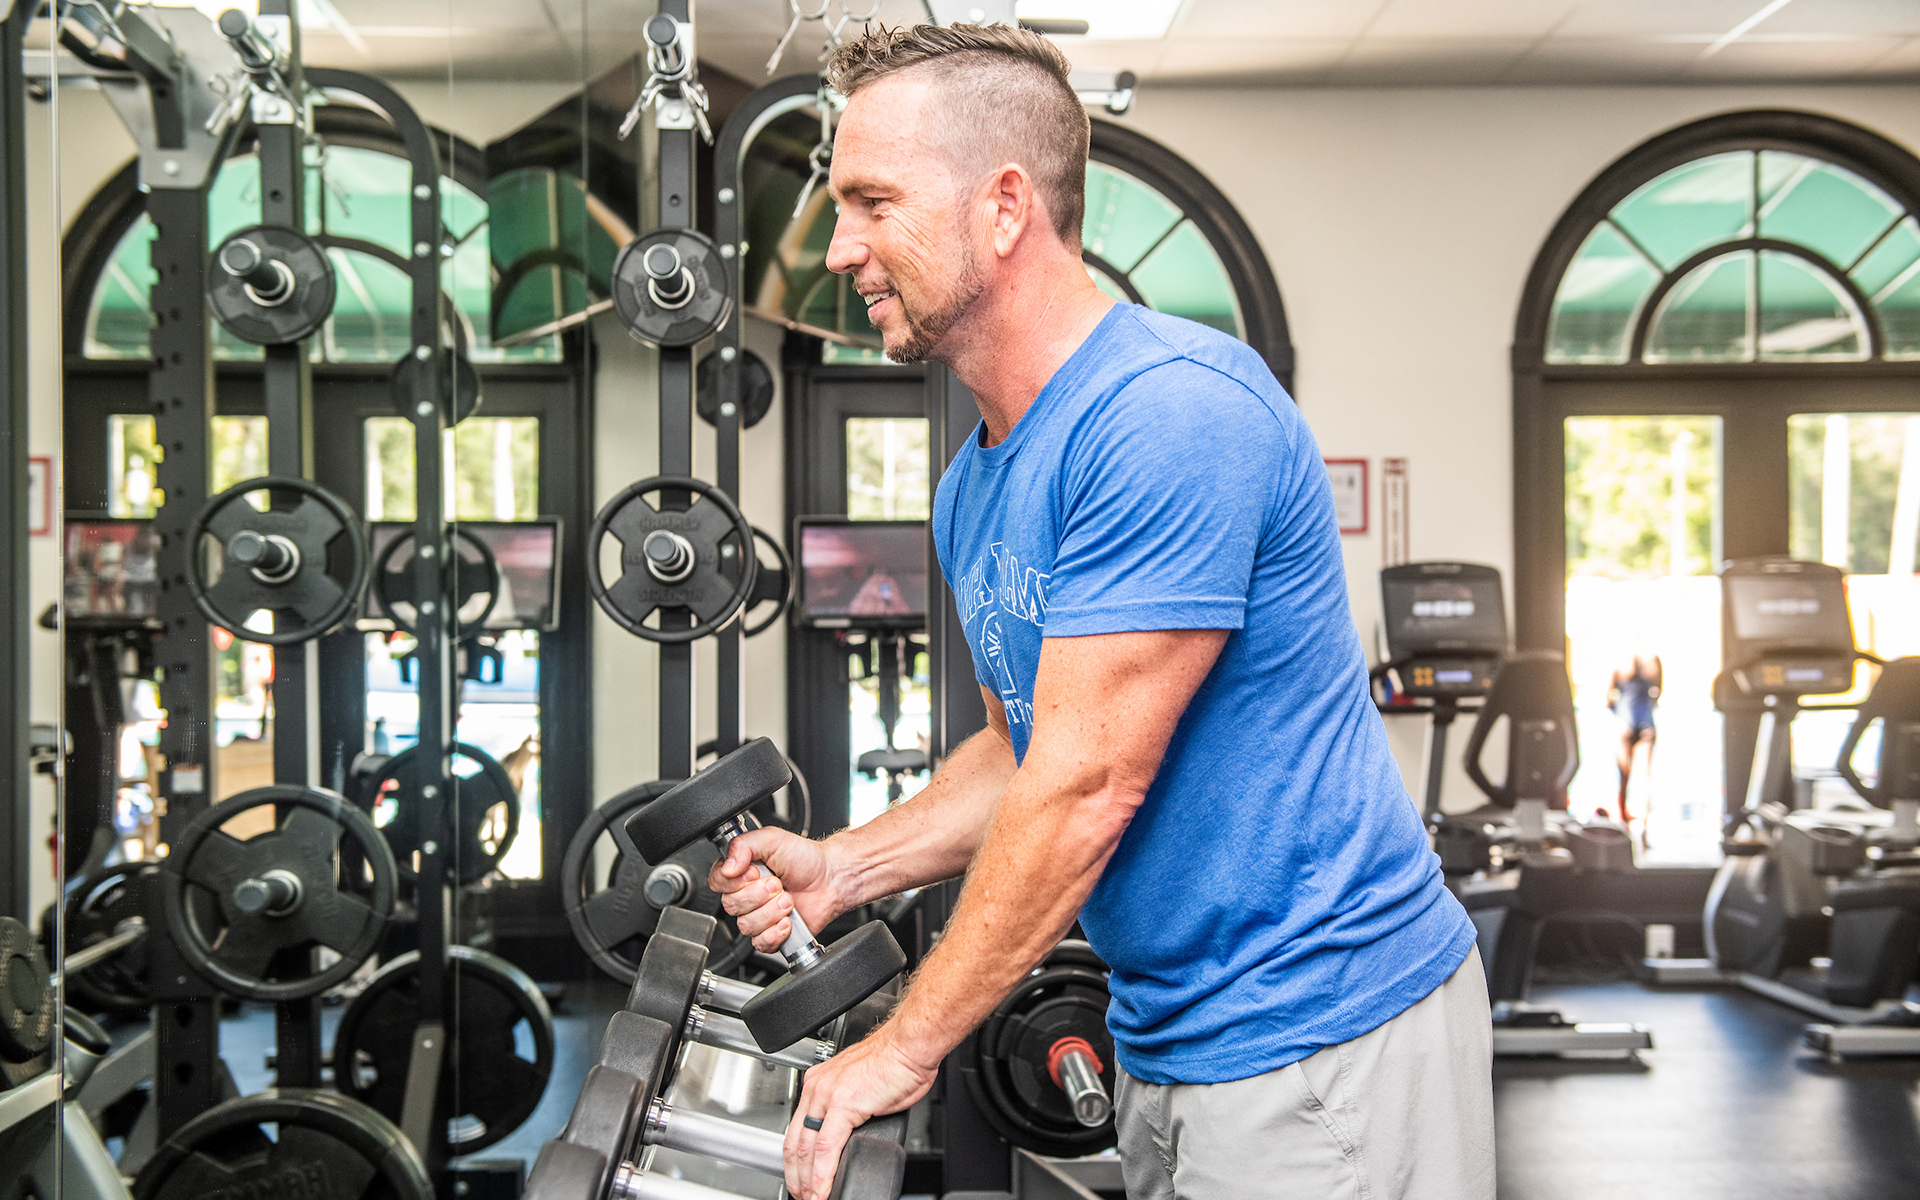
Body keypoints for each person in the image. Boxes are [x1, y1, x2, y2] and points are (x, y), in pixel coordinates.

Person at [707, 23, 1493, 1200]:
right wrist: (843, 868)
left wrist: (906, 1046)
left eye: (872, 202)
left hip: (1322, 1032)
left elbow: (1084, 788)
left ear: (1004, 207)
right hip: (1165, 1035)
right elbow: (1026, 749)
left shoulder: (1168, 414)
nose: (839, 248)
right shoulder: (976, 484)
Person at [1608, 646, 1662, 843]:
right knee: (1645, 777)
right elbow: (1658, 692)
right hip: (1646, 720)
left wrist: (1618, 710)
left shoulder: (1620, 663)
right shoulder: (1653, 662)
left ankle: (1624, 829)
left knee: (1623, 776)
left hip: (1625, 722)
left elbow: (1609, 697)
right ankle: (1644, 830)